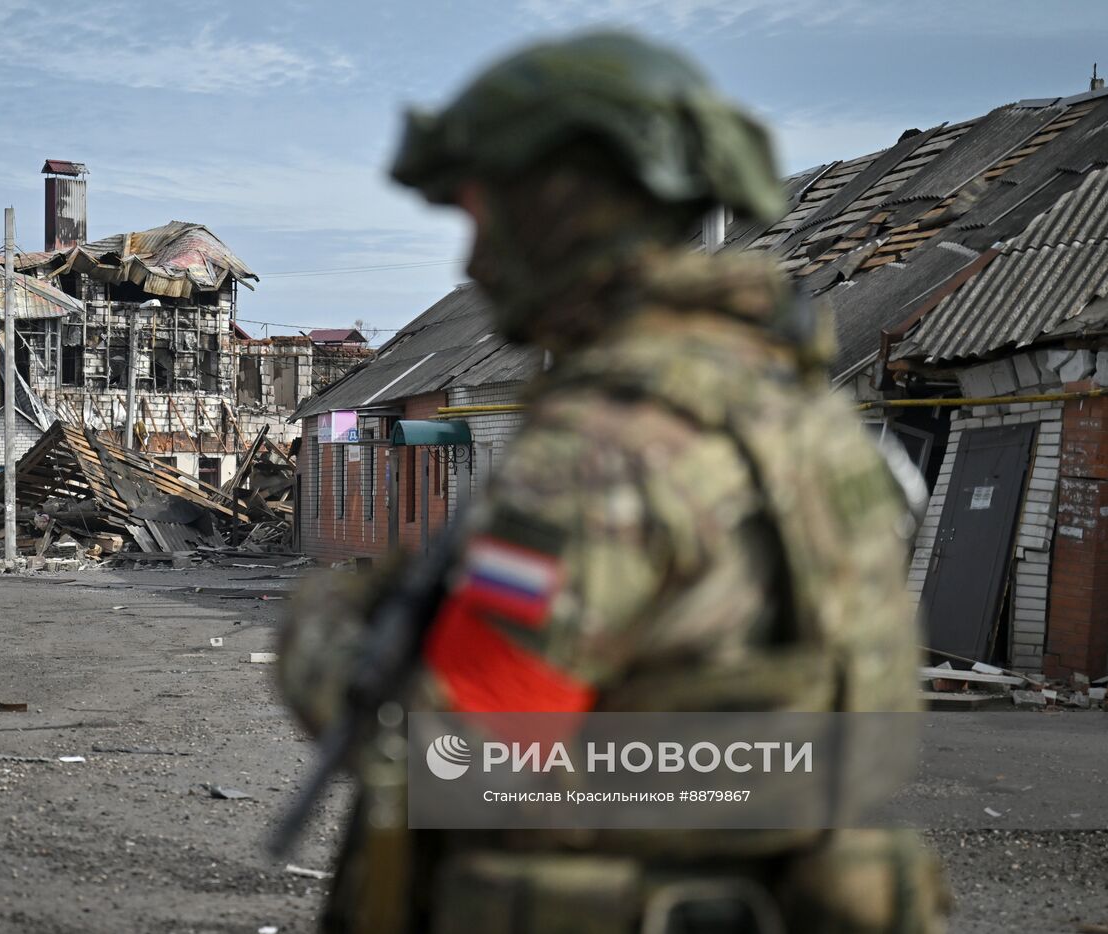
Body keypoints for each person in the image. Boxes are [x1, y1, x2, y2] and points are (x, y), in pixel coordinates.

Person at [278, 31, 949, 934]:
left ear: (566, 212)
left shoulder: (605, 453)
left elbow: (457, 755)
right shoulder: (798, 414)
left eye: (487, 216)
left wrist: (323, 636)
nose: (472, 262)